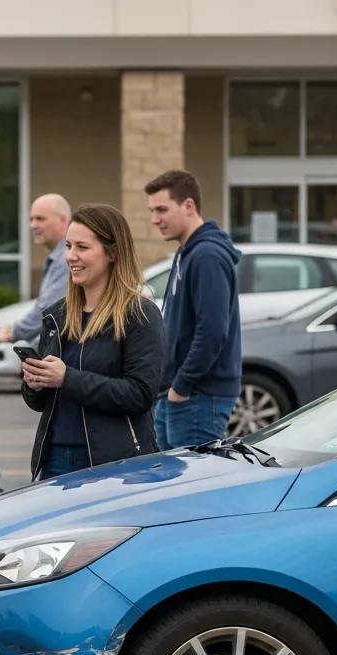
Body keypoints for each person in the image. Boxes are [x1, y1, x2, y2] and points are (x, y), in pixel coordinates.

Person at [21, 203, 164, 480]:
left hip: (113, 464)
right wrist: (34, 381)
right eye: (68, 246)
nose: (71, 257)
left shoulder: (139, 314)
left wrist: (67, 378)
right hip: (54, 460)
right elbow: (39, 403)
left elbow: (140, 394)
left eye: (82, 248)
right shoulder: (57, 315)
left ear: (112, 253)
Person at [144, 169, 241, 450]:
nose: (155, 219)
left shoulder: (206, 255)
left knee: (191, 487)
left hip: (198, 396)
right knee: (170, 483)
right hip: (179, 393)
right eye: (152, 211)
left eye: (162, 209)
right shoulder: (186, 252)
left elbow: (212, 332)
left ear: (188, 205)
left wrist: (181, 388)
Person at [0, 194, 72, 344]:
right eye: (31, 219)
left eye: (40, 219)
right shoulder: (57, 257)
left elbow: (48, 310)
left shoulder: (66, 259)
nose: (33, 225)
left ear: (63, 220)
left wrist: (14, 332)